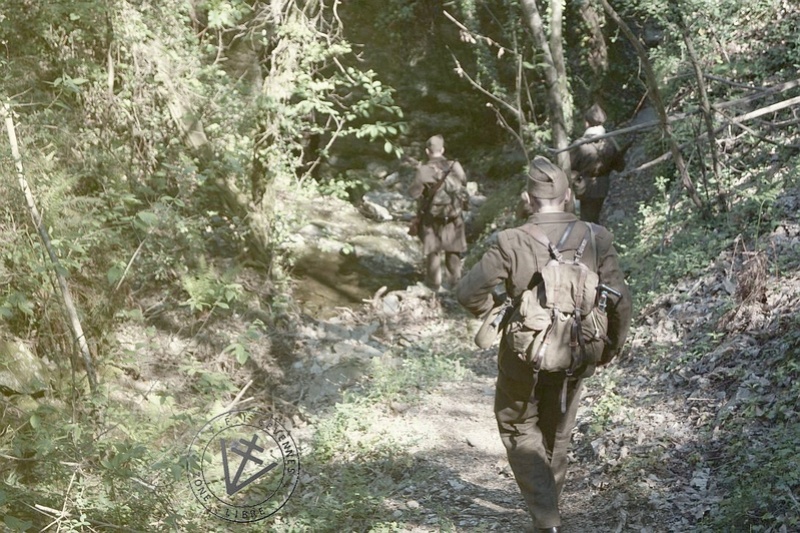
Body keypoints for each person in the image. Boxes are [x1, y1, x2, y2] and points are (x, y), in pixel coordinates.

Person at [456, 155, 632, 532]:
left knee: (518, 425)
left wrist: (502, 310)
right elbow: (620, 298)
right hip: (579, 348)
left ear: (527, 199)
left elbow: (468, 293)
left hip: (524, 352)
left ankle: (546, 518)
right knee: (559, 428)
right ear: (569, 196)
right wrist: (609, 347)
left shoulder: (511, 241)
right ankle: (549, 508)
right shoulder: (596, 237)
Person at [408, 135, 468, 292]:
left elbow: (414, 194)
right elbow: (464, 182)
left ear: (427, 151)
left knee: (433, 251)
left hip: (432, 218)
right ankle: (455, 286)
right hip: (454, 216)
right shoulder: (455, 166)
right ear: (442, 150)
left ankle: (433, 286)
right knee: (453, 250)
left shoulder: (423, 170)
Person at [569, 104, 624, 224]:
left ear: (587, 123)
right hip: (603, 186)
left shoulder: (580, 145)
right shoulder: (610, 142)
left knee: (588, 221)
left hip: (585, 187)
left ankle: (593, 241)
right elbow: (620, 167)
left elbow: (568, 167)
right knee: (594, 219)